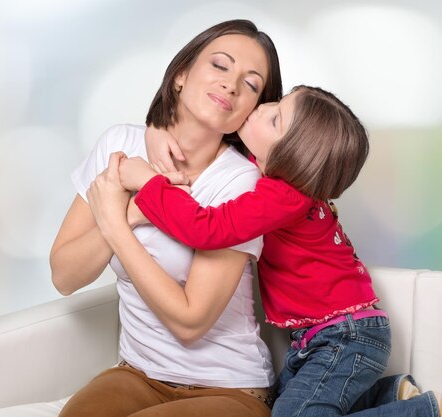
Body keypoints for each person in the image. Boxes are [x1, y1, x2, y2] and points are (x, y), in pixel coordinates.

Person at [117, 85, 442, 417]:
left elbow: (207, 228)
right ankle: (388, 394)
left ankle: (421, 411)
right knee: (288, 404)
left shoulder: (283, 197)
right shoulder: (268, 173)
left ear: (292, 157)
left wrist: (148, 182)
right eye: (276, 102)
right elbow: (208, 133)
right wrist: (156, 133)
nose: (262, 107)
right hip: (327, 336)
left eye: (275, 118)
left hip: (344, 337)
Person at [49, 19, 283, 417]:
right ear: (180, 75)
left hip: (230, 390)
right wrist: (134, 212)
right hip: (136, 375)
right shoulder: (119, 146)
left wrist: (120, 220)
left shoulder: (241, 184)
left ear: (251, 111)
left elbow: (191, 322)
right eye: (221, 65)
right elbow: (64, 276)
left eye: (250, 84)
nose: (230, 85)